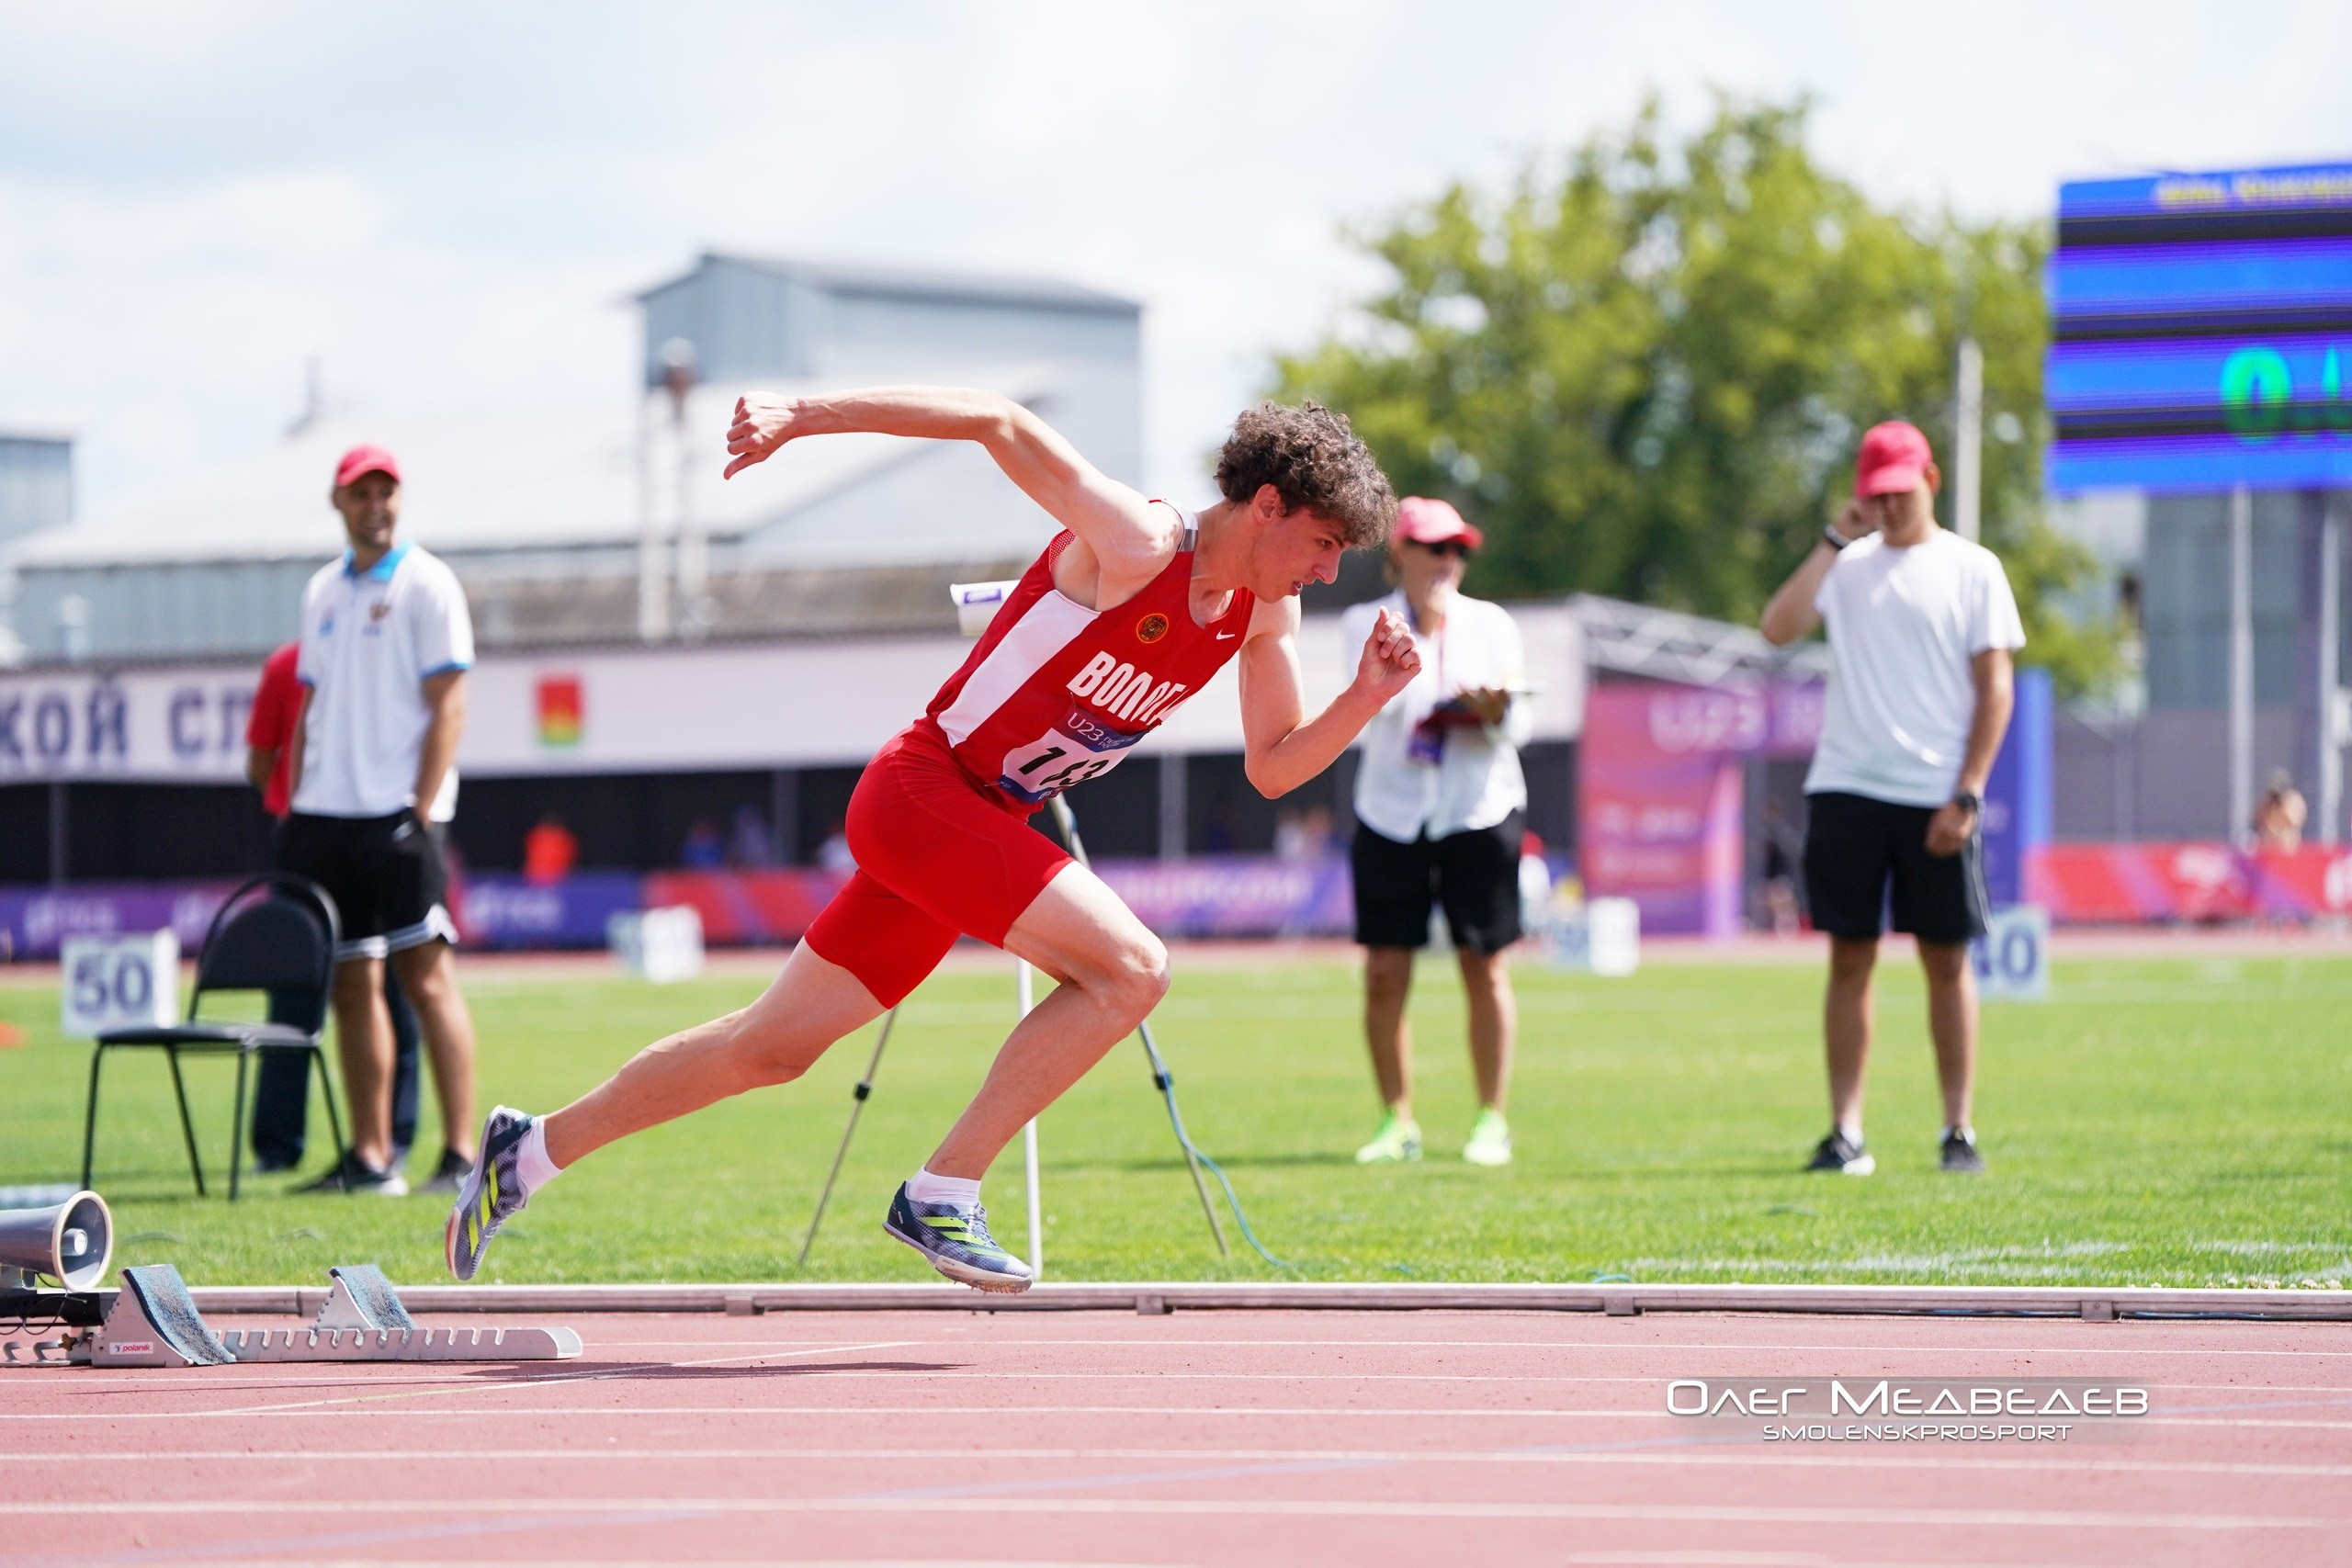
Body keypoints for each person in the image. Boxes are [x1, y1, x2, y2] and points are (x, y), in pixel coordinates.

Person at [445, 387, 1419, 1292]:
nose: (1329, 571)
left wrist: (1365, 698)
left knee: (768, 1049)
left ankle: (530, 1150)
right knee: (1131, 970)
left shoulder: (1264, 610)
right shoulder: (1139, 543)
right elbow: (999, 419)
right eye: (1323, 542)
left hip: (975, 826)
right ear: (1265, 505)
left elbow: (1273, 766)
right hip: (923, 795)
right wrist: (801, 416)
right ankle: (944, 1190)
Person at [1759, 420, 2022, 1177]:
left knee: (1946, 959)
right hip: (1847, 786)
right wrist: (1832, 539)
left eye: (1901, 490)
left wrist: (1967, 792)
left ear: (1930, 480)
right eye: (1877, 493)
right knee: (1850, 957)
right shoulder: (1846, 564)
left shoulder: (1973, 568)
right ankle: (1846, 1131)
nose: (1890, 505)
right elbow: (1777, 628)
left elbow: (1995, 688)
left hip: (1936, 792)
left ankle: (1958, 1129)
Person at [279, 444, 483, 1198]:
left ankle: (460, 1153)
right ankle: (371, 1158)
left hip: (398, 814)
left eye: (384, 492)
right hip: (326, 813)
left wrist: (420, 808)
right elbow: (310, 703)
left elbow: (450, 704)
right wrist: (296, 799)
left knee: (426, 981)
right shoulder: (322, 590)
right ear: (338, 501)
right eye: (359, 493)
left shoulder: (428, 582)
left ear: (399, 499)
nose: (374, 506)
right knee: (349, 982)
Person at [1340, 497, 1530, 1168]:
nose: (1449, 560)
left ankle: (1491, 1118)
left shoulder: (1492, 622)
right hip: (1391, 811)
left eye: (1458, 549)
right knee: (1384, 972)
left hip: (1478, 809)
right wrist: (1414, 665)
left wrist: (1492, 709)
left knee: (1485, 963)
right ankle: (1397, 1120)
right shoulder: (1366, 622)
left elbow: (1520, 725)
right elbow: (1365, 716)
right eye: (1435, 547)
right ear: (1401, 553)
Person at [243, 639, 424, 1174]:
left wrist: (295, 805)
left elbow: (260, 762)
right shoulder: (313, 662)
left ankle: (289, 1146)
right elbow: (261, 758)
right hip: (355, 836)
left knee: (307, 998)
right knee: (381, 993)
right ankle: (388, 1138)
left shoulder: (295, 660)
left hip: (328, 837)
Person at [2254, 771, 2307, 852]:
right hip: (2269, 843)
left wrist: (2284, 806)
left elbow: (2294, 821)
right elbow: (2258, 820)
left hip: (2288, 843)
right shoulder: (2266, 802)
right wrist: (2269, 807)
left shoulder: (2293, 800)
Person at [523, 810, 579, 886]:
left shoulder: (565, 838)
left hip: (559, 879)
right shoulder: (536, 836)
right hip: (535, 878)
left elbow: (569, 858)